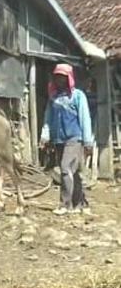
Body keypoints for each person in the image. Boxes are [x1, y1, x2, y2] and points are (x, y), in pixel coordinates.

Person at [40, 63, 93, 215]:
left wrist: (88, 141)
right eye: (57, 77)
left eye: (62, 77)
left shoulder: (77, 96)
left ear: (69, 78)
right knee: (72, 172)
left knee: (65, 168)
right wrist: (45, 136)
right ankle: (80, 203)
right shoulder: (54, 98)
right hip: (59, 140)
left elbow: (85, 119)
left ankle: (65, 204)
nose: (59, 80)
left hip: (74, 138)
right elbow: (47, 119)